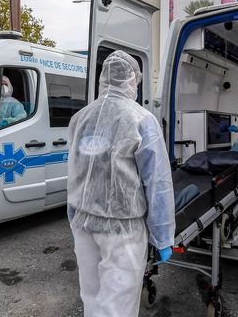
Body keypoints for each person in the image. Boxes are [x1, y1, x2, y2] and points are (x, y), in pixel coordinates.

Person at [67, 50, 176, 317]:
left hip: (83, 224)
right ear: (131, 80)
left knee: (91, 298)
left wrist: (73, 215)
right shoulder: (141, 119)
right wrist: (162, 236)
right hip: (122, 231)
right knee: (117, 307)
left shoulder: (79, 118)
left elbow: (74, 171)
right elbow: (158, 181)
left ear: (104, 78)